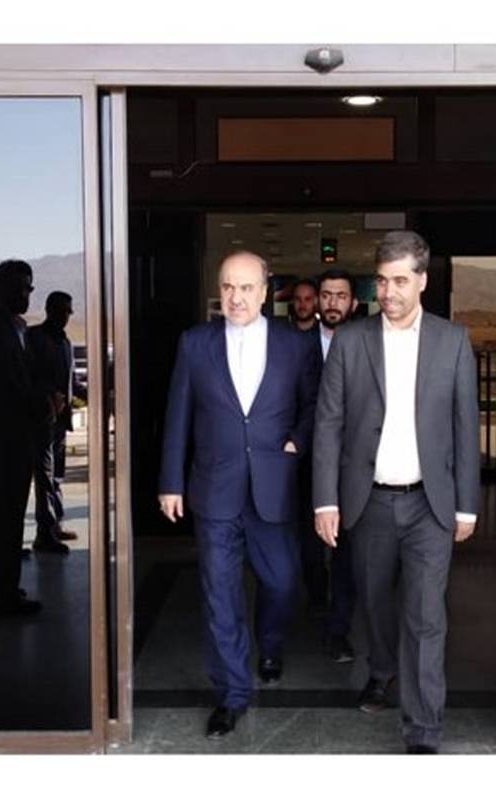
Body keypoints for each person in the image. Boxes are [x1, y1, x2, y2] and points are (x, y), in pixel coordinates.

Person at [312, 231, 480, 754]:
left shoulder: (453, 341)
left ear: (422, 281)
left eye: (400, 281)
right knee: (375, 602)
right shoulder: (351, 341)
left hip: (431, 504)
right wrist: (326, 500)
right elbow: (328, 424)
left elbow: (465, 427)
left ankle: (423, 729)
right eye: (382, 281)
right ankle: (381, 668)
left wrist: (467, 504)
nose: (389, 292)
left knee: (426, 616)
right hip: (370, 502)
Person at [158, 250, 320, 739]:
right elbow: (178, 413)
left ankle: (269, 644)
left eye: (246, 287)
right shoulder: (195, 343)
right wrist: (170, 482)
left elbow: (315, 403)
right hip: (214, 489)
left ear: (265, 291)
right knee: (220, 595)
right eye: (228, 286)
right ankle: (231, 693)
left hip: (274, 486)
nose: (236, 297)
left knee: (284, 581)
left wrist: (298, 440)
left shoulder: (295, 344)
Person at [0, 259, 51, 616]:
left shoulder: (13, 326)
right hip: (3, 438)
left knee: (10, 516)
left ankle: (4, 587)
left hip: (16, 435)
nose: (25, 295)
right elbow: (7, 385)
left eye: (29, 289)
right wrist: (38, 402)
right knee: (2, 517)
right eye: (19, 288)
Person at [295, 269, 360, 662]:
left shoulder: (367, 344)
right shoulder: (296, 345)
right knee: (308, 545)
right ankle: (317, 599)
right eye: (326, 294)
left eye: (341, 295)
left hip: (352, 464)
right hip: (305, 463)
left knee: (346, 550)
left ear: (353, 302)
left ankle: (339, 628)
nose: (333, 302)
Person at [25, 291, 87, 554]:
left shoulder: (65, 343)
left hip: (60, 421)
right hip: (41, 419)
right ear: (49, 310)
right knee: (45, 475)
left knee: (56, 475)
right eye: (61, 311)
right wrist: (48, 394)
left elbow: (71, 382)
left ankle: (55, 525)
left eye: (68, 312)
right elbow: (28, 374)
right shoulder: (34, 338)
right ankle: (45, 532)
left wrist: (90, 392)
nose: (65, 316)